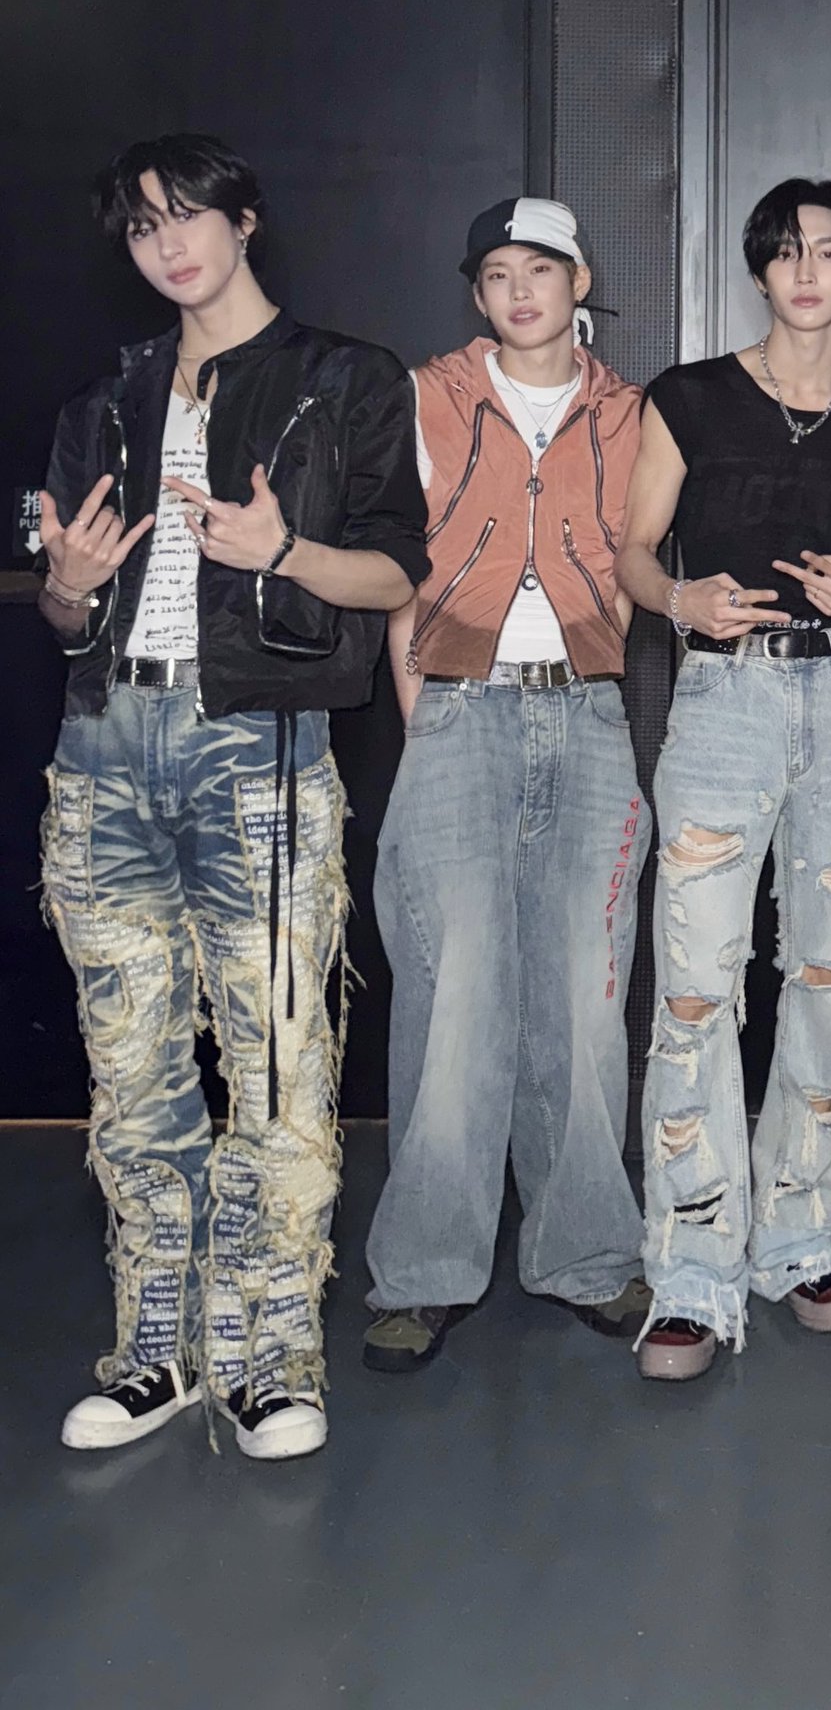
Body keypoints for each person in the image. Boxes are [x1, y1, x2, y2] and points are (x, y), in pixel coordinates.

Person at [38, 133, 426, 1460]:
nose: (167, 244)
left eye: (187, 214)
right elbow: (61, 604)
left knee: (276, 1067)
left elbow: (396, 572)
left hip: (254, 741)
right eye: (142, 226)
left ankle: (268, 1357)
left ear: (244, 219)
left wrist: (286, 548)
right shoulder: (106, 399)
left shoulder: (344, 378)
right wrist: (68, 590)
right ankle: (156, 1348)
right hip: (105, 746)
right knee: (131, 1072)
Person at [616, 177, 831, 1383]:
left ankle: (803, 1236)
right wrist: (680, 597)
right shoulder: (689, 397)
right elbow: (633, 552)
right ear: (761, 270)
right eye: (788, 250)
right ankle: (691, 1271)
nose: (808, 270)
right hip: (721, 703)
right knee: (696, 987)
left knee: (827, 976)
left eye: (830, 251)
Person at [361, 199, 649, 1374]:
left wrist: (595, 670)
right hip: (458, 706)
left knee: (586, 990)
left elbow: (632, 565)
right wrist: (425, 710)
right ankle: (426, 1272)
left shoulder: (631, 411)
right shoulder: (423, 396)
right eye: (496, 273)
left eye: (541, 268)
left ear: (579, 280)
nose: (521, 291)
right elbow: (395, 571)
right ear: (476, 293)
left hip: (586, 709)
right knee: (453, 993)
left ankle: (587, 1253)